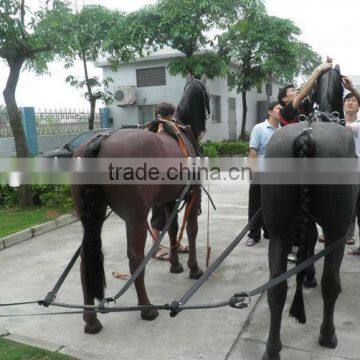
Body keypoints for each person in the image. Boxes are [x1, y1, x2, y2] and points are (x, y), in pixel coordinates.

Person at [277, 57, 334, 261]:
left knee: (308, 217)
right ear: (285, 99)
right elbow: (305, 91)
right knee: (293, 213)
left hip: (308, 166)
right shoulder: (287, 111)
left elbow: (313, 91)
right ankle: (292, 248)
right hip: (292, 168)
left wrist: (325, 73)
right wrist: (318, 69)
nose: (296, 91)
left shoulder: (307, 109)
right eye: (291, 91)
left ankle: (304, 249)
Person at [150, 102, 189, 260]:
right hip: (160, 181)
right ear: (170, 115)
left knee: (170, 214)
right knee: (158, 216)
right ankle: (155, 248)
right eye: (171, 115)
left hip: (163, 178)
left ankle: (176, 244)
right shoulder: (167, 130)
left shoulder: (151, 128)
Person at [246, 101, 282, 247]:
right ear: (270, 111)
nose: (281, 110)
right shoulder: (259, 128)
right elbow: (253, 150)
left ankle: (268, 230)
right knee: (256, 204)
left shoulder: (282, 130)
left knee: (273, 204)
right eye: (279, 108)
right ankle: (253, 235)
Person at [342, 78, 360, 256]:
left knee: (356, 205)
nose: (350, 101)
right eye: (347, 99)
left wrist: (353, 88)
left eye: (354, 100)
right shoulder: (334, 121)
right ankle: (331, 232)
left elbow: (348, 129)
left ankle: (349, 235)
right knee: (337, 202)